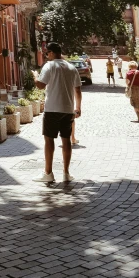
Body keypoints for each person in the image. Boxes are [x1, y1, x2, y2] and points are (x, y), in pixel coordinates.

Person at [33, 41, 82, 183]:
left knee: (49, 140)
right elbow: (78, 90)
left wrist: (35, 76)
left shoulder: (49, 66)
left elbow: (41, 85)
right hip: (68, 109)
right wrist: (78, 107)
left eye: (47, 53)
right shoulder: (71, 67)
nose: (46, 55)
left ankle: (48, 173)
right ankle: (66, 173)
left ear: (52, 52)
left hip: (52, 109)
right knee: (66, 140)